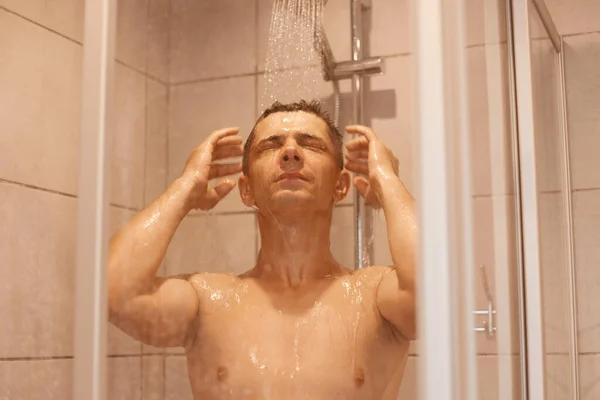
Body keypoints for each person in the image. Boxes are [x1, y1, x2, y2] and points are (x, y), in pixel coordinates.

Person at [108, 100, 417, 399]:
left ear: (341, 186)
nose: (290, 153)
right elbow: (114, 292)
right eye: (270, 146)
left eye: (311, 145)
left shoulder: (376, 299)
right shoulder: (208, 301)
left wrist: (387, 180)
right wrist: (186, 185)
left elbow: (439, 300)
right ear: (246, 190)